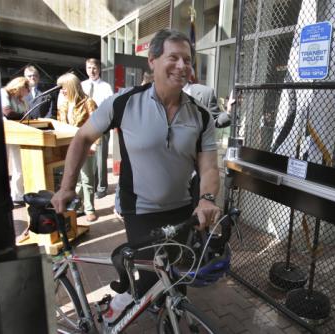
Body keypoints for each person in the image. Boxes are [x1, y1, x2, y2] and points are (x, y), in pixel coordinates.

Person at [51, 28, 221, 324]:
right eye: (174, 57)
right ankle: (116, 310)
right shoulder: (124, 102)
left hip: (183, 210)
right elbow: (82, 138)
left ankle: (169, 320)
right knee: (147, 282)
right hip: (140, 210)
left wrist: (206, 199)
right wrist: (67, 187)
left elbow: (208, 167)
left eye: (188, 60)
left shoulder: (201, 115)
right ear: (152, 61)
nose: (182, 66)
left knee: (176, 280)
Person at [56, 73, 99, 222]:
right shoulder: (63, 105)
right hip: (69, 146)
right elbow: (59, 126)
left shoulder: (88, 102)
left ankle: (89, 209)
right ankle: (79, 206)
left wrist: (93, 144)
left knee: (87, 179)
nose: (61, 91)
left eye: (63, 87)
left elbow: (97, 126)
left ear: (71, 86)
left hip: (86, 146)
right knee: (76, 178)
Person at [81, 58, 113, 200]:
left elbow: (110, 106)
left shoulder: (106, 87)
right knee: (88, 157)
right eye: (89, 68)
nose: (92, 71)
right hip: (85, 127)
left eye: (94, 68)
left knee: (101, 158)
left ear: (99, 69)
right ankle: (91, 185)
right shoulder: (81, 86)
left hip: (101, 126)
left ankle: (101, 187)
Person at [1, 76, 30, 206]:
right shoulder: (4, 93)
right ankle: (3, 196)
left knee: (19, 165)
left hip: (19, 134)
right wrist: (25, 116)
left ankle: (17, 195)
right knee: (4, 165)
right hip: (4, 134)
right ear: (19, 86)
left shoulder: (22, 101)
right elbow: (7, 112)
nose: (28, 91)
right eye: (26, 87)